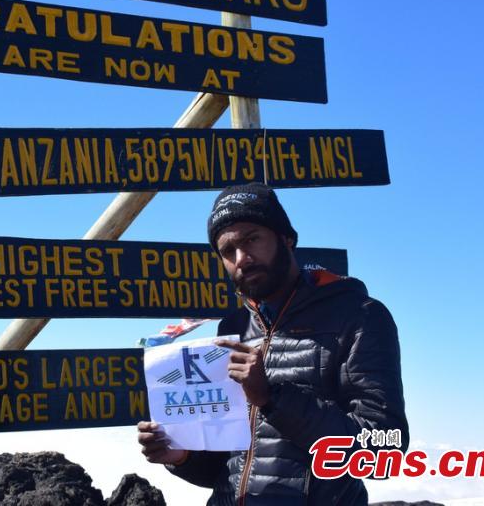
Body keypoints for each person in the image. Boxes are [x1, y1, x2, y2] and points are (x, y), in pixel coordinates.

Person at [137, 183, 408, 505]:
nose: (242, 259)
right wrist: (181, 456)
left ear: (286, 239)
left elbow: (382, 450)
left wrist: (271, 398)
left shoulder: (359, 316)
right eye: (227, 251)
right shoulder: (233, 327)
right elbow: (230, 471)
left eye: (252, 239)